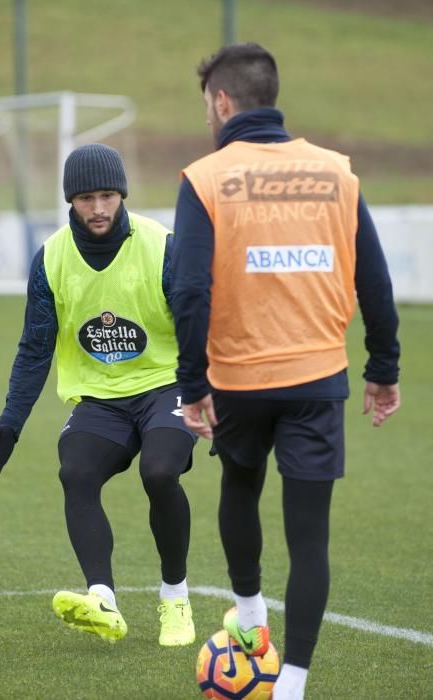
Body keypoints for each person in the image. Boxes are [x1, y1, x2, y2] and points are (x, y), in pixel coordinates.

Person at [171, 43, 400, 699]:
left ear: (222, 102)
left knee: (239, 487)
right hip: (318, 379)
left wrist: (193, 385)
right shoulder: (336, 174)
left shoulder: (207, 178)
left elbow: (189, 292)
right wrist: (382, 367)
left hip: (239, 381)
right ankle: (292, 684)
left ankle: (249, 617)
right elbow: (375, 280)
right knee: (310, 537)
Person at [0, 143, 197, 648]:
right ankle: (103, 598)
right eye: (84, 198)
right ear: (69, 202)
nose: (97, 208)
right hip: (99, 398)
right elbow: (35, 347)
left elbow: (200, 328)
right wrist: (10, 425)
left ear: (122, 194)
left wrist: (213, 400)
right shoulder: (51, 258)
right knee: (75, 472)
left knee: (160, 472)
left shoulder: (163, 247)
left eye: (106, 196)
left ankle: (175, 597)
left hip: (168, 384)